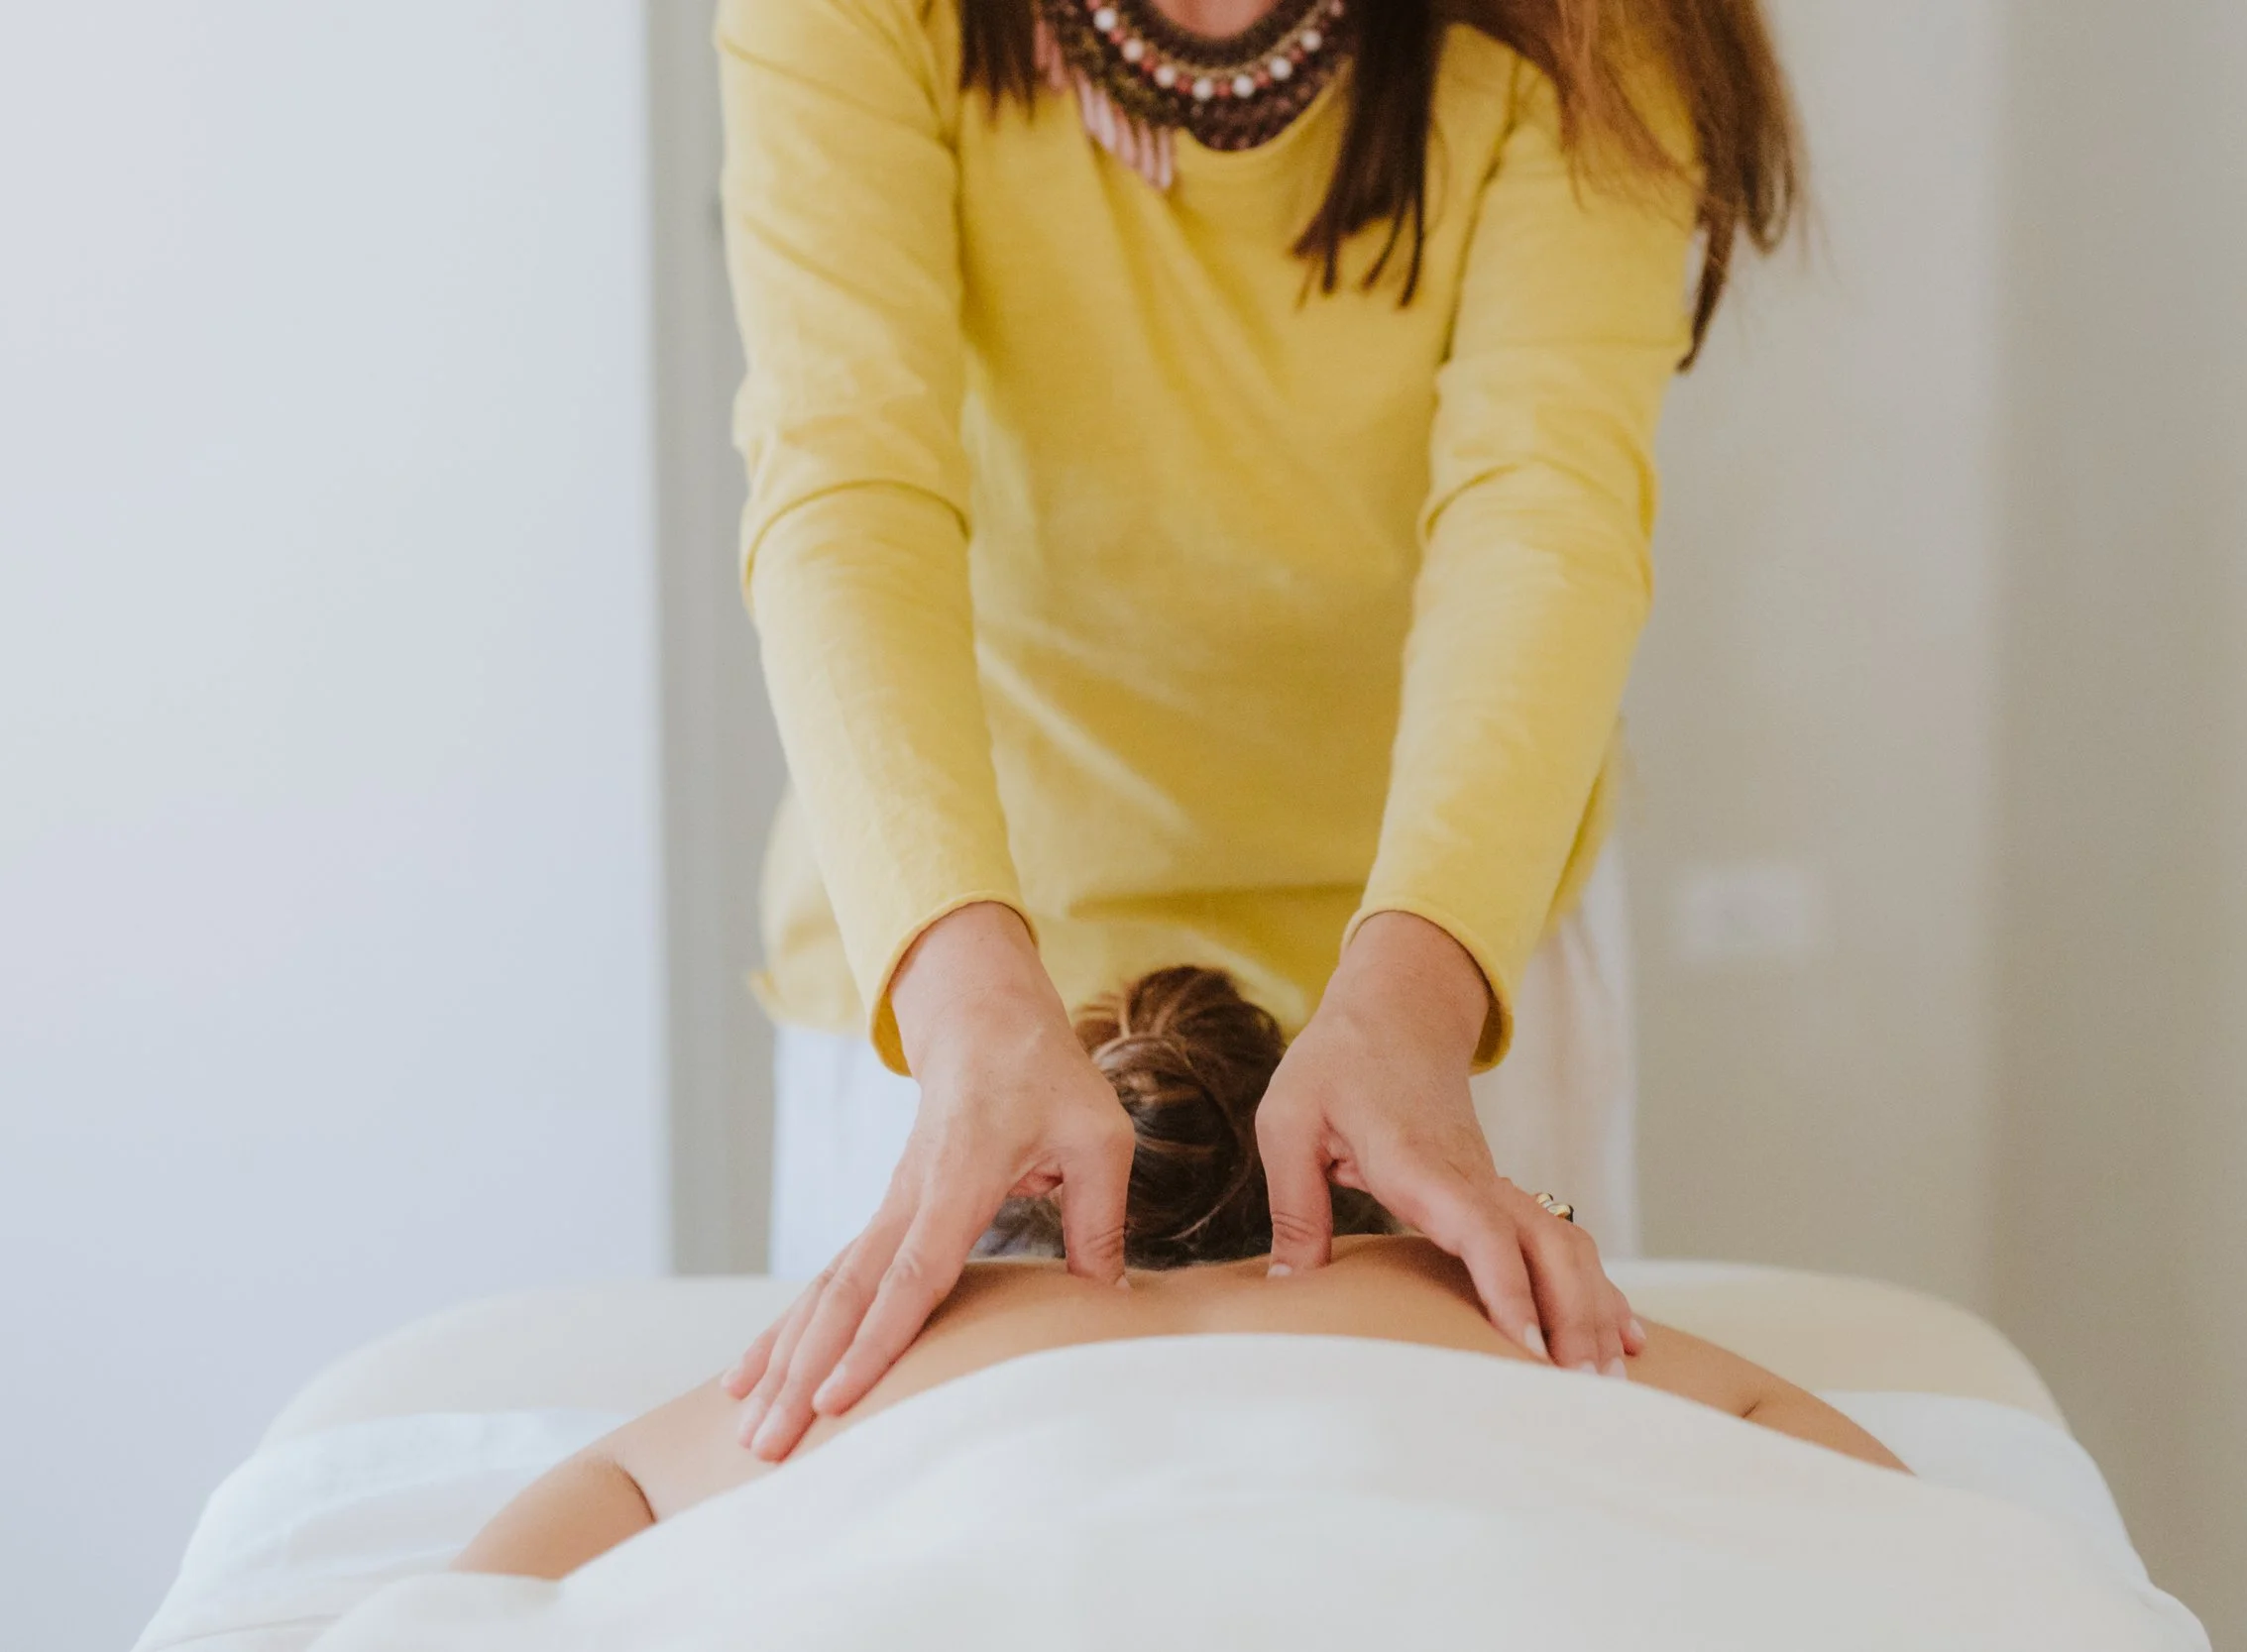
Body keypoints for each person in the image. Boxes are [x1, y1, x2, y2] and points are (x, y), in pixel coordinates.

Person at [719, 0, 1806, 1459]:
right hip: (969, 953)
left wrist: (1419, 999)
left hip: (1442, 952)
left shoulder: (1600, 32)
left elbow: (1541, 516)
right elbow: (846, 485)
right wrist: (967, 1005)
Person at [458, 970, 1898, 1580]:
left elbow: (590, 1512)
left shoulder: (920, 1325)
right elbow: (1887, 1508)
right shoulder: (1478, 1294)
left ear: (1007, 1207)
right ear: (1363, 1180)